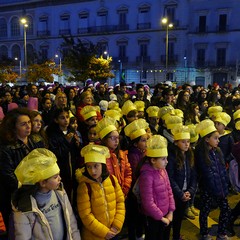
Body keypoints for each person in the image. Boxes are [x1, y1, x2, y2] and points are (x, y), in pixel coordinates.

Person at [11, 148, 81, 240]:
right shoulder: (25, 207)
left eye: (58, 175)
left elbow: (71, 223)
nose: (60, 178)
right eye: (55, 177)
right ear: (43, 183)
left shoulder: (60, 193)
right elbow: (22, 236)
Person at [0, 108, 44, 229]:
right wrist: (27, 185)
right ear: (13, 127)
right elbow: (7, 175)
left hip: (36, 191)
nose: (28, 126)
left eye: (29, 122)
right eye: (23, 124)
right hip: (15, 197)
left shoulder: (35, 141)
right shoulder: (6, 148)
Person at [76, 144, 125, 240]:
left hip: (113, 232)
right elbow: (86, 215)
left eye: (96, 166)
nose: (92, 171)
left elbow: (120, 202)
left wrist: (116, 226)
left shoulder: (112, 179)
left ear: (103, 165)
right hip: (94, 236)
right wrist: (104, 232)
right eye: (89, 167)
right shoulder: (84, 186)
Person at [195, 119, 231, 240]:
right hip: (208, 189)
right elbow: (207, 174)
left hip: (220, 187)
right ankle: (204, 233)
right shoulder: (201, 154)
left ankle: (221, 232)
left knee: (225, 209)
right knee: (205, 210)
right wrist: (215, 189)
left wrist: (224, 185)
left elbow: (222, 170)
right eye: (215, 138)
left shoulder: (218, 151)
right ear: (206, 139)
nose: (218, 140)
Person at [138, 135, 175, 240]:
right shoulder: (146, 175)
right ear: (153, 160)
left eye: (166, 158)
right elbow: (148, 202)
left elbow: (169, 190)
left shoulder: (163, 170)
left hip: (166, 215)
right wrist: (161, 218)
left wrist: (171, 211)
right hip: (154, 218)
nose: (167, 161)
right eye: (163, 159)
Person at [166, 125, 197, 239]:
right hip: (175, 193)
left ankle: (176, 236)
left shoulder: (189, 155)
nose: (186, 144)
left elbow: (194, 175)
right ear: (175, 142)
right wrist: (180, 193)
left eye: (188, 142)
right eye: (183, 142)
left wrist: (190, 191)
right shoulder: (172, 157)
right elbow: (170, 177)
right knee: (171, 217)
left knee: (179, 217)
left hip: (185, 192)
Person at [46, 107, 81, 205]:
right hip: (62, 169)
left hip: (73, 167)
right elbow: (56, 154)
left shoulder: (71, 131)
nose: (66, 120)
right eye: (62, 118)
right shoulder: (53, 135)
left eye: (67, 117)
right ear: (56, 120)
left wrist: (78, 144)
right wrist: (67, 142)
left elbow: (76, 152)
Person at [124, 119, 149, 240]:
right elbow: (136, 175)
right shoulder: (133, 156)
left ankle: (140, 233)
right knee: (134, 216)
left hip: (143, 190)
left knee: (141, 216)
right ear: (135, 143)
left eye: (146, 139)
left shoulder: (144, 152)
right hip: (135, 192)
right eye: (143, 141)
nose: (146, 143)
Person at [95, 116, 132, 197]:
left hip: (121, 194)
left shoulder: (121, 154)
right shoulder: (99, 157)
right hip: (107, 195)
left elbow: (127, 173)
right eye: (113, 138)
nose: (116, 141)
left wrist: (124, 190)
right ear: (104, 139)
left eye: (118, 138)